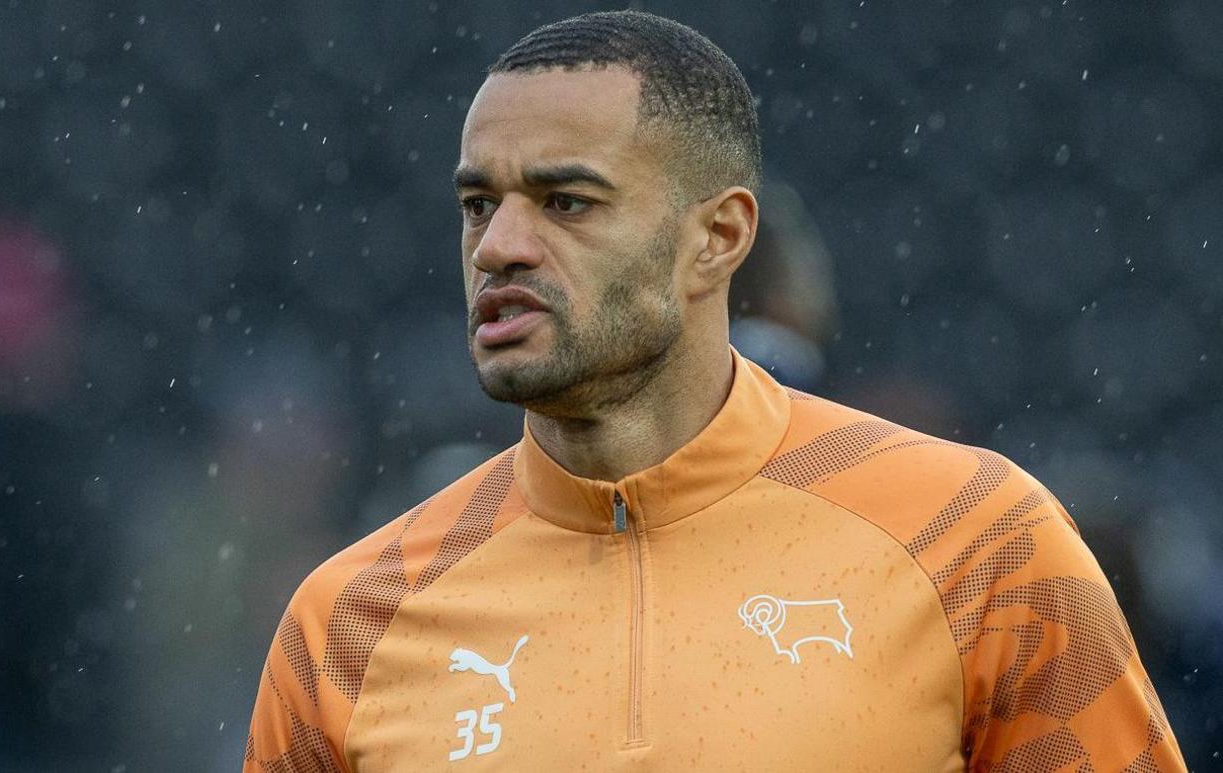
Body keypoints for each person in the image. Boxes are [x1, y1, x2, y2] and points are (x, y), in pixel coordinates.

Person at [244, 11, 1186, 771]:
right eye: (479, 204)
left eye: (566, 201)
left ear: (720, 238)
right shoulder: (353, 621)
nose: (498, 247)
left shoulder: (978, 542)